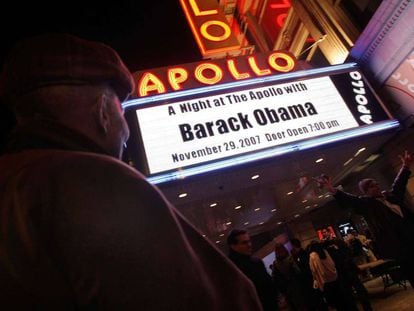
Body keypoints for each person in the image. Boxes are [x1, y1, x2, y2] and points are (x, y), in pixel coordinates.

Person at [0, 33, 262, 310]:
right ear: (102, 112)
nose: (125, 132)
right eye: (120, 111)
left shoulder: (15, 180)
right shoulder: (95, 180)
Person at [316, 150, 414, 288]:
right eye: (372, 186)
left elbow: (399, 184)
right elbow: (350, 200)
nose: (377, 186)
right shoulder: (367, 204)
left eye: (376, 184)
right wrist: (332, 189)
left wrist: (405, 166)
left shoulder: (390, 196)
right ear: (366, 191)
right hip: (400, 247)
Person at [227, 229, 279, 311]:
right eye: (244, 243)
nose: (249, 245)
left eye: (249, 241)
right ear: (233, 246)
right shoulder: (231, 269)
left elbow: (269, 288)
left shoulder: (256, 262)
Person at [272, 243, 306, 311]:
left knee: (292, 306)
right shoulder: (290, 258)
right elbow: (297, 271)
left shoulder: (275, 263)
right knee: (301, 305)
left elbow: (274, 278)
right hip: (295, 285)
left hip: (285, 289)